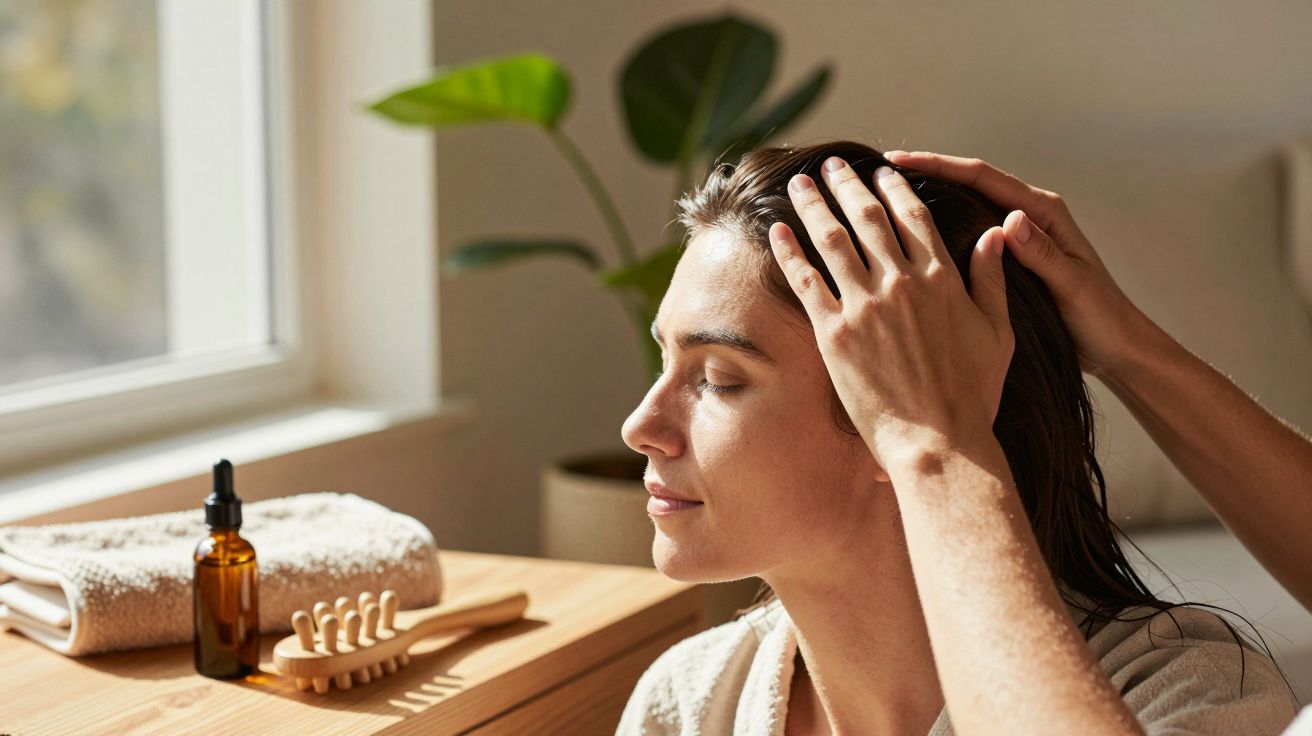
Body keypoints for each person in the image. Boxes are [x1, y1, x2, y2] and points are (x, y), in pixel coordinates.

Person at [615, 140, 1299, 735]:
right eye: (665, 359)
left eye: (719, 379)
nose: (639, 428)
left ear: (897, 404)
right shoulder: (689, 704)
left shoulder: (1192, 698)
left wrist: (931, 440)